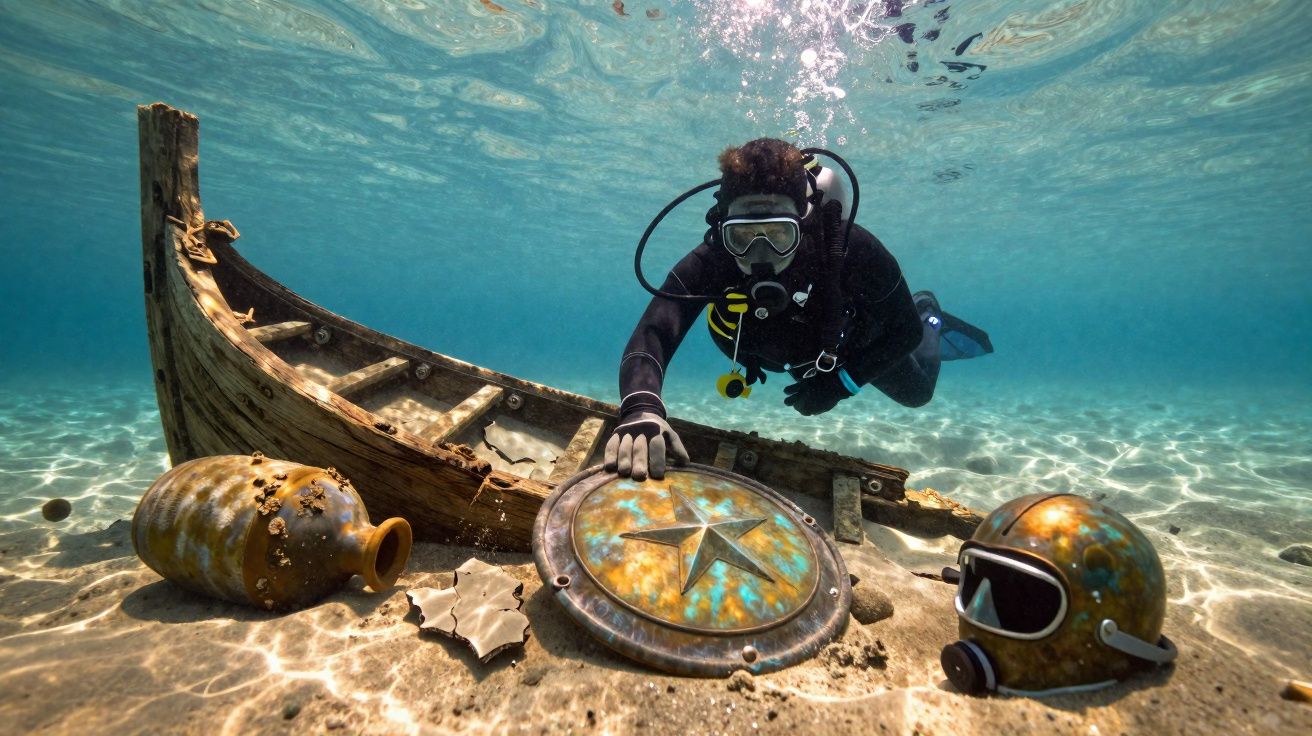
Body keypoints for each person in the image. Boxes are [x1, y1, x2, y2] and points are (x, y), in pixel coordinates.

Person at [604, 138, 991, 480]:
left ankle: (929, 309)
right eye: (742, 237)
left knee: (918, 394)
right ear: (722, 227)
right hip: (769, 352)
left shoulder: (851, 249)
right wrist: (641, 408)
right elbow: (654, 332)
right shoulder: (713, 258)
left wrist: (842, 384)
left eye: (778, 235)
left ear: (803, 224)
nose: (760, 256)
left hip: (845, 345)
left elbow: (905, 331)